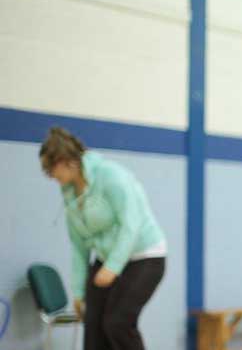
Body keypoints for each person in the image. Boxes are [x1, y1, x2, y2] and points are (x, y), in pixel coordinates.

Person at [40, 127, 166, 350]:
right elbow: (79, 246)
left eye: (50, 169)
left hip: (144, 256)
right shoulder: (68, 192)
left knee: (117, 323)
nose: (49, 175)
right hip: (106, 261)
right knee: (93, 327)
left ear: (65, 160)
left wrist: (114, 267)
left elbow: (131, 224)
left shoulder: (111, 176)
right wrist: (78, 292)